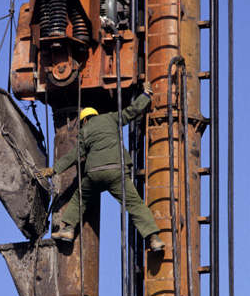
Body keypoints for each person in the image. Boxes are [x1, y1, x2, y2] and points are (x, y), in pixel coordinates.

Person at [41, 82, 165, 251]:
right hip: (116, 172)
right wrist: (146, 95)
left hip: (94, 174)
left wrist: (54, 169)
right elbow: (131, 112)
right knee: (135, 205)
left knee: (80, 197)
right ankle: (153, 238)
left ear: (84, 120)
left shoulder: (84, 131)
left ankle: (68, 230)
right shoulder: (110, 118)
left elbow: (74, 155)